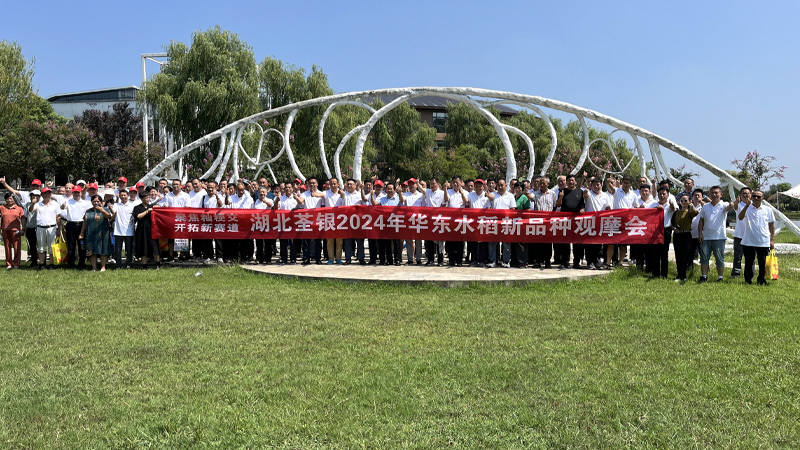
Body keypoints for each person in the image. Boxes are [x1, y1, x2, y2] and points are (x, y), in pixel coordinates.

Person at [697, 186, 735, 283]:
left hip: (719, 237)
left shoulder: (723, 204)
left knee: (719, 257)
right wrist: (700, 233)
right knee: (704, 257)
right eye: (712, 193)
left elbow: (728, 208)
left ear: (721, 194)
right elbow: (701, 220)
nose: (714, 195)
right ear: (709, 194)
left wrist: (731, 205)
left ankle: (720, 277)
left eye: (716, 193)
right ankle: (704, 276)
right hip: (706, 236)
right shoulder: (705, 206)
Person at [737, 190, 775, 285]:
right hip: (749, 240)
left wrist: (772, 240)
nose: (756, 198)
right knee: (749, 262)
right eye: (754, 196)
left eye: (758, 197)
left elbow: (771, 225)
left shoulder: (768, 209)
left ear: (763, 198)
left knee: (763, 263)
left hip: (763, 241)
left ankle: (761, 280)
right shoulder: (747, 208)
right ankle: (748, 280)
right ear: (751, 197)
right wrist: (747, 206)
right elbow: (740, 217)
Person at [555, 174, 585, 269]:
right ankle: (565, 262)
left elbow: (583, 205)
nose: (571, 182)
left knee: (577, 243)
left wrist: (582, 210)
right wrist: (560, 197)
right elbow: (558, 205)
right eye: (569, 180)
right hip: (565, 220)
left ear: (575, 181)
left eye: (572, 180)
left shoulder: (580, 192)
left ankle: (576, 262)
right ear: (566, 182)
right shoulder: (562, 191)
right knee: (565, 242)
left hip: (576, 221)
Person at [59, 185, 92, 269]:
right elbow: (62, 207)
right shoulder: (68, 201)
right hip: (71, 224)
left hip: (82, 225)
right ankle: (71, 263)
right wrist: (62, 206)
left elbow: (89, 212)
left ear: (80, 193)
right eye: (75, 192)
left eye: (78, 192)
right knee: (71, 245)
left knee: (81, 245)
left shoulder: (85, 203)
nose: (76, 194)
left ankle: (81, 263)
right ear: (72, 193)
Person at [582, 177, 612, 269]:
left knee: (599, 243)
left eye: (598, 184)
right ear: (591, 185)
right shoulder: (589, 193)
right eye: (594, 184)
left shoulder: (605, 195)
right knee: (589, 243)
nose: (596, 186)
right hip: (589, 222)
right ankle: (590, 262)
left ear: (601, 185)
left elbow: (608, 208)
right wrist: (586, 191)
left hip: (600, 222)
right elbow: (585, 195)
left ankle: (597, 261)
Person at [29, 187, 62, 270]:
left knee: (51, 247)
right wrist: (33, 203)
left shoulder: (55, 204)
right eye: (45, 193)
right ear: (42, 195)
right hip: (40, 228)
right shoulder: (38, 204)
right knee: (41, 247)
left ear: (51, 194)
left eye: (49, 193)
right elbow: (31, 210)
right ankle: (42, 263)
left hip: (52, 227)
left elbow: (58, 217)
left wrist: (59, 229)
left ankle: (51, 263)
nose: (47, 195)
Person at [79, 195, 112, 271]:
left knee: (103, 250)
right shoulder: (88, 211)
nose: (96, 203)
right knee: (91, 250)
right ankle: (94, 267)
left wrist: (102, 210)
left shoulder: (105, 209)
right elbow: (85, 222)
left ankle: (103, 267)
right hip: (90, 233)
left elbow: (108, 217)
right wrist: (81, 233)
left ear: (101, 202)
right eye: (94, 201)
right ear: (91, 202)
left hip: (102, 233)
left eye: (98, 201)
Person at [487, 179, 515, 268]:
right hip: (494, 223)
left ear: (506, 186)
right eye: (498, 185)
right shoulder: (492, 195)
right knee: (492, 243)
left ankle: (506, 261)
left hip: (506, 223)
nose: (500, 187)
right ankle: (493, 261)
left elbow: (513, 209)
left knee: (506, 244)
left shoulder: (510, 196)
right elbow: (488, 208)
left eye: (502, 185)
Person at [373, 182, 403, 265]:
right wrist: (371, 196)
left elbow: (402, 201)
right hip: (385, 224)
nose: (389, 190)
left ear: (394, 190)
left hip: (395, 223)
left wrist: (400, 193)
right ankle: (388, 260)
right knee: (386, 243)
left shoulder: (398, 198)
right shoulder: (382, 199)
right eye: (388, 189)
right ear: (385, 190)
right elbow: (375, 204)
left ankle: (397, 260)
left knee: (396, 243)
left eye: (391, 189)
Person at [671, 193, 699, 282]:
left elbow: (695, 213)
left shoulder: (690, 212)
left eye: (686, 200)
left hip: (687, 235)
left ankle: (685, 275)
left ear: (689, 201)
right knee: (678, 255)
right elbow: (672, 223)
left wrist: (691, 206)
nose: (683, 202)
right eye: (682, 201)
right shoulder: (676, 212)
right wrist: (674, 228)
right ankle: (679, 275)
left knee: (686, 256)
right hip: (677, 235)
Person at [272, 182, 300, 264]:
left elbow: (300, 208)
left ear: (292, 188)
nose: (288, 189)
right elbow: (276, 209)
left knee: (293, 242)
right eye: (286, 188)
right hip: (283, 222)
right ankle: (284, 258)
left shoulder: (296, 198)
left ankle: (293, 259)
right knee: (283, 242)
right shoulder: (281, 198)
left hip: (293, 222)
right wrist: (277, 201)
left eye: (289, 187)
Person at [132, 192, 161, 270]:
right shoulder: (137, 207)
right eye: (146, 198)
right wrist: (147, 211)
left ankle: (158, 264)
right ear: (141, 199)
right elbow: (138, 216)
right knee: (143, 247)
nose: (148, 199)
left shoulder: (152, 207)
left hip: (152, 229)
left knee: (155, 247)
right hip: (142, 230)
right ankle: (144, 265)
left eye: (148, 198)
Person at [467, 179, 491, 267]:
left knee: (482, 242)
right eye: (476, 186)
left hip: (483, 222)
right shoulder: (470, 195)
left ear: (483, 186)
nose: (478, 187)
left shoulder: (486, 196)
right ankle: (473, 260)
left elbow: (488, 208)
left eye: (480, 186)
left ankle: (482, 260)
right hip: (473, 222)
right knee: (473, 242)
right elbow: (466, 203)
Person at [421, 178, 445, 266]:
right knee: (429, 241)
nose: (432, 185)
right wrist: (417, 183)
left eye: (434, 184)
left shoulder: (442, 193)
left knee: (440, 242)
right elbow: (421, 189)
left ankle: (440, 260)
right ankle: (430, 260)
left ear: (438, 184)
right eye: (431, 184)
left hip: (439, 219)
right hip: (429, 220)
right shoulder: (428, 192)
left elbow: (444, 204)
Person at [111, 189, 136, 269]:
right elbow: (113, 213)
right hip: (118, 230)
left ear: (127, 196)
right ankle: (118, 264)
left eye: (124, 195)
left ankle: (129, 264)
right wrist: (111, 208)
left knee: (129, 249)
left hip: (129, 230)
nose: (123, 197)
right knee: (118, 249)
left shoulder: (132, 205)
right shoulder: (116, 205)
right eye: (121, 195)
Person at [402, 178, 425, 265]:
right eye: (410, 184)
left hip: (418, 219)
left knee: (418, 240)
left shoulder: (420, 195)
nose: (412, 185)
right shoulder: (405, 195)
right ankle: (410, 259)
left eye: (413, 183)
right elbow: (402, 200)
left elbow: (424, 208)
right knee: (409, 240)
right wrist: (400, 193)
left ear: (416, 184)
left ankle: (418, 258)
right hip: (408, 219)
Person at [730, 187, 751, 278]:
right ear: (741, 195)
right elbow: (735, 207)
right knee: (738, 257)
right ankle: (736, 274)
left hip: (750, 236)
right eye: (743, 193)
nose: (745, 195)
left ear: (751, 194)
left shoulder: (754, 205)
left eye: (747, 193)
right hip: (739, 235)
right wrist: (735, 203)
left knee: (750, 258)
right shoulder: (739, 205)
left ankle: (749, 274)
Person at [1, 192, 26, 268]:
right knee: (7, 247)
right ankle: (8, 263)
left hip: (15, 230)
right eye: (7, 199)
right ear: (5, 200)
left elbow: (23, 219)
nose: (9, 200)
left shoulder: (19, 208)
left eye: (11, 198)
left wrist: (23, 229)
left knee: (16, 247)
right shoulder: (2, 208)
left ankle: (16, 263)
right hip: (5, 230)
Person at [323, 177, 343, 264]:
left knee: (339, 240)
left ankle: (338, 258)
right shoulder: (326, 193)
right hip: (329, 219)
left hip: (340, 220)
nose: (333, 185)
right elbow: (318, 194)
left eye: (334, 183)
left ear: (338, 184)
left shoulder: (342, 194)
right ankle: (331, 258)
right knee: (329, 240)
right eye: (331, 183)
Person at [253, 187, 274, 264]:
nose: (262, 193)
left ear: (266, 193)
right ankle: (259, 258)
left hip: (268, 223)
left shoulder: (270, 200)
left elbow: (272, 207)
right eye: (260, 192)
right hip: (259, 224)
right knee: (259, 243)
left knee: (268, 243)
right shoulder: (256, 202)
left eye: (263, 192)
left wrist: (265, 201)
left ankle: (268, 259)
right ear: (258, 193)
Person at [513, 181, 531, 268]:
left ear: (522, 189)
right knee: (515, 243)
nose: (517, 189)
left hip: (522, 223)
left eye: (519, 187)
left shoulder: (524, 198)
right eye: (516, 187)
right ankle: (516, 260)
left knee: (522, 243)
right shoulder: (513, 197)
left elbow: (527, 211)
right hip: (514, 223)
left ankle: (523, 261)